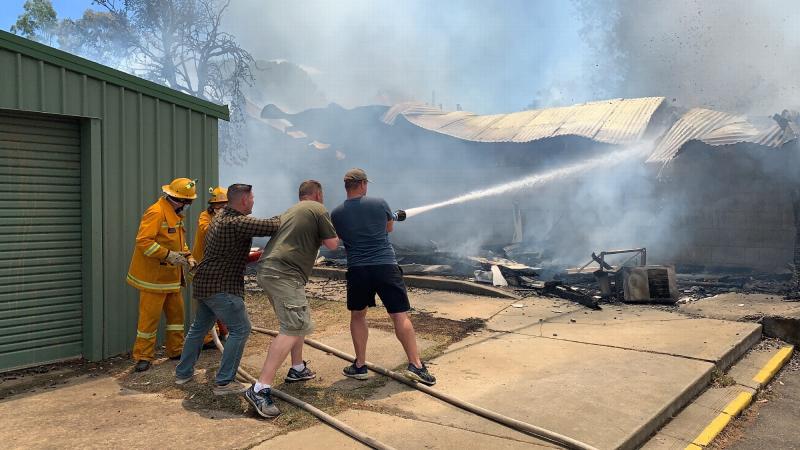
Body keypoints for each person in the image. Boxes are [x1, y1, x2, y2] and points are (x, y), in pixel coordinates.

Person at [330, 168, 436, 386]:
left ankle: (359, 365)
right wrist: (390, 217)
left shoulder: (336, 213)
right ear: (361, 184)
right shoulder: (379, 203)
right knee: (399, 316)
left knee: (358, 316)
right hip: (385, 266)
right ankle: (415, 365)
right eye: (366, 183)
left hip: (358, 269)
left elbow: (340, 238)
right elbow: (388, 228)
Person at [244, 180, 339, 418]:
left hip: (273, 272)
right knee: (293, 325)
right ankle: (260, 388)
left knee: (297, 323)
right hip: (283, 274)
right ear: (318, 194)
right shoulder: (318, 209)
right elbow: (333, 244)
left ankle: (297, 369)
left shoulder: (291, 211)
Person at [175, 184, 281, 395]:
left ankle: (183, 373)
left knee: (198, 328)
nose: (253, 201)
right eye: (251, 198)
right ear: (243, 201)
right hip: (221, 286)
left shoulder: (220, 218)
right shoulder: (236, 221)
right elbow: (272, 226)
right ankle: (224, 382)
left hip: (205, 282)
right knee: (241, 329)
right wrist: (296, 213)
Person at [127, 178, 198, 372]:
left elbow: (179, 242)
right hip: (153, 279)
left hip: (171, 277)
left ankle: (176, 350)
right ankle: (143, 357)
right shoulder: (156, 212)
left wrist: (189, 257)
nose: (188, 205)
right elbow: (143, 242)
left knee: (177, 316)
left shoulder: (175, 215)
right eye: (187, 202)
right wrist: (168, 255)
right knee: (148, 320)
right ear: (176, 199)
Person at [192, 186, 230, 347]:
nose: (221, 208)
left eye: (224, 205)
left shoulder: (231, 217)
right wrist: (220, 219)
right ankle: (208, 339)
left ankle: (225, 332)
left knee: (222, 299)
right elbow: (206, 231)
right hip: (203, 266)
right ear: (212, 205)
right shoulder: (205, 216)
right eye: (218, 205)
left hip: (220, 266)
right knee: (207, 303)